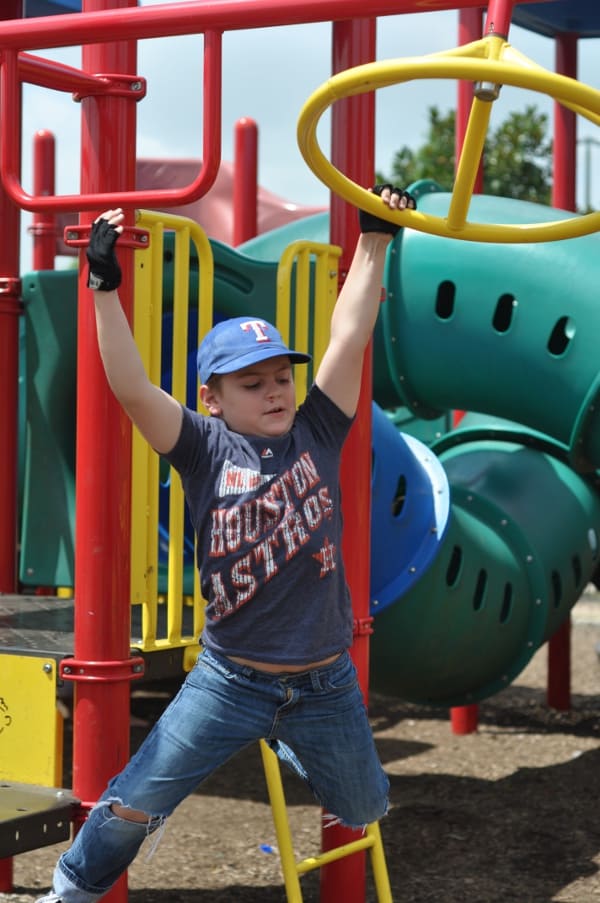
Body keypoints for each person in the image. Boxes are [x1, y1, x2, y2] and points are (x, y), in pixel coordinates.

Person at [37, 184, 416, 903]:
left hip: (323, 678)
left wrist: (373, 239)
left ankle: (296, 736)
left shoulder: (318, 428)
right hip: (231, 677)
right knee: (134, 799)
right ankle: (71, 889)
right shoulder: (203, 447)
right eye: (252, 383)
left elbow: (349, 337)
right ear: (213, 397)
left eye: (280, 377)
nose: (275, 391)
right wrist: (103, 287)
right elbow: (130, 385)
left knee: (367, 806)